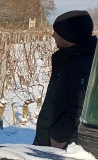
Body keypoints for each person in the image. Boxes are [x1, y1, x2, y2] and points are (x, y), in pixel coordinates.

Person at [34, 11, 96, 149]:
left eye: (57, 31)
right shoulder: (73, 57)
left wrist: (61, 134)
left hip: (62, 143)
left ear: (69, 35)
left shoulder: (83, 64)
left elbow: (82, 106)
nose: (53, 35)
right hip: (56, 137)